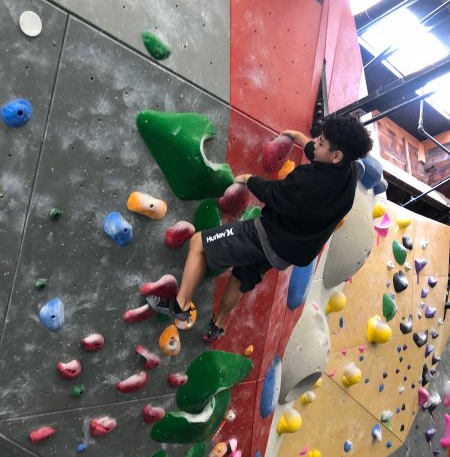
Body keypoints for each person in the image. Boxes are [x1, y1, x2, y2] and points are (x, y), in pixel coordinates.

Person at [148, 114, 373, 341]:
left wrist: (249, 179)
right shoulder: (348, 173)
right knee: (239, 277)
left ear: (336, 156)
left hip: (266, 237)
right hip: (287, 251)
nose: (315, 142)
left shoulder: (309, 182)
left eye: (321, 142)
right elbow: (319, 159)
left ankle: (180, 306)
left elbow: (275, 194)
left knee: (199, 242)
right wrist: (298, 137)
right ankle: (217, 326)